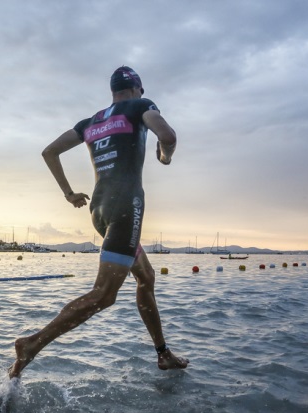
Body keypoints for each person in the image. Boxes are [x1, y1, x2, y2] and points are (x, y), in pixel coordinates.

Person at [10, 66, 189, 379]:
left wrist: (68, 193)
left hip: (100, 210)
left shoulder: (91, 122)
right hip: (126, 207)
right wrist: (165, 156)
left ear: (113, 91)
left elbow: (49, 151)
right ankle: (32, 344)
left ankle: (163, 354)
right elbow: (168, 136)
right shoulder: (141, 107)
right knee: (104, 295)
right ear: (138, 89)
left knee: (145, 277)